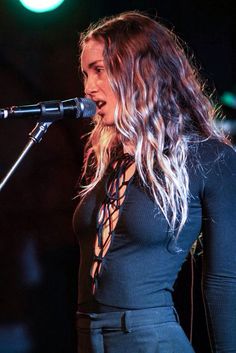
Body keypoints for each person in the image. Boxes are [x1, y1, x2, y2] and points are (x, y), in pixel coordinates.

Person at [73, 11, 236, 353]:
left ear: (140, 72)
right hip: (88, 335)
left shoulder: (208, 158)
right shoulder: (108, 158)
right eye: (86, 73)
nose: (89, 87)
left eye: (99, 70)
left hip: (150, 339)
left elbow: (223, 282)